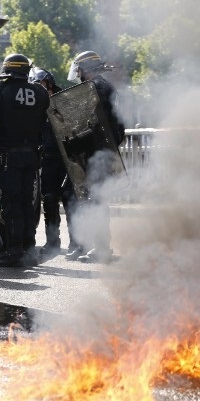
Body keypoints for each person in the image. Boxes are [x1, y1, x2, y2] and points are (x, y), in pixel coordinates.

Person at [0, 54, 50, 267]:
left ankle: (14, 250)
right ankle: (29, 249)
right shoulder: (40, 93)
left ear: (7, 70)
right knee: (28, 202)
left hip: (8, 157)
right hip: (31, 156)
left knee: (11, 203)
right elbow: (47, 127)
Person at [63, 50, 126, 263]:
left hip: (98, 153)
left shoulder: (97, 89)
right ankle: (96, 246)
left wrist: (75, 143)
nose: (78, 73)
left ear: (87, 70)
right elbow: (118, 127)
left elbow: (96, 127)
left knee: (96, 200)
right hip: (102, 152)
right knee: (95, 199)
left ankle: (101, 249)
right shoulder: (106, 87)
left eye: (80, 69)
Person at [28, 67, 67, 257]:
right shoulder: (36, 108)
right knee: (49, 200)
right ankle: (53, 242)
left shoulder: (63, 102)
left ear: (48, 84)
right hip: (48, 160)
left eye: (40, 85)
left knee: (71, 200)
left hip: (68, 159)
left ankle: (78, 243)